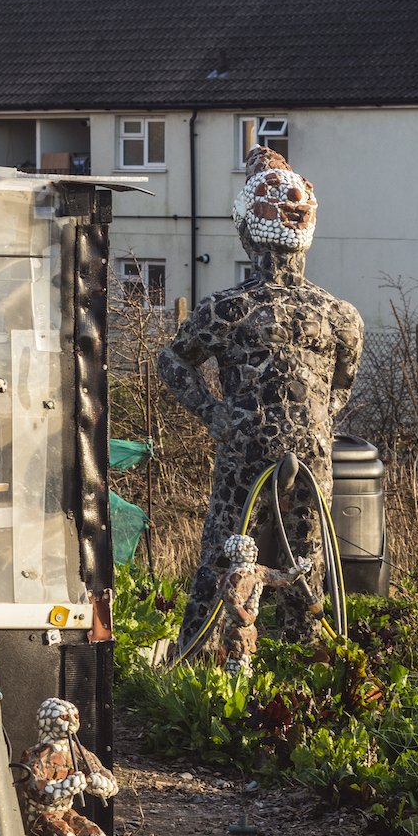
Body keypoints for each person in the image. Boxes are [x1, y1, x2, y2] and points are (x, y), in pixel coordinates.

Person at [159, 145, 363, 651]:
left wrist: (219, 416)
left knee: (237, 557)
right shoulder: (339, 315)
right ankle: (301, 661)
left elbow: (172, 360)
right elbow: (341, 384)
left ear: (247, 231)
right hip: (301, 453)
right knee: (302, 559)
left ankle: (203, 655)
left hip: (253, 447)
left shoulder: (230, 309)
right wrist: (314, 423)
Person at [15, 697, 119, 836]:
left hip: (65, 812)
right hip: (39, 818)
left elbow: (111, 784)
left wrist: (98, 783)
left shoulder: (78, 752)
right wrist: (67, 785)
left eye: (76, 716)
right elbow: (38, 791)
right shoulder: (34, 756)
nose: (72, 721)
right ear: (47, 720)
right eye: (64, 717)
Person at [213, 534, 312, 674]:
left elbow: (281, 578)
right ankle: (234, 686)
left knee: (249, 657)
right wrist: (247, 617)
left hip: (249, 630)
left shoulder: (257, 571)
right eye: (248, 547)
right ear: (239, 552)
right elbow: (232, 604)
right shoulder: (232, 578)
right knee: (237, 659)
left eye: (253, 545)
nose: (254, 549)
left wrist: (297, 571)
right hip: (237, 630)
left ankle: (247, 684)